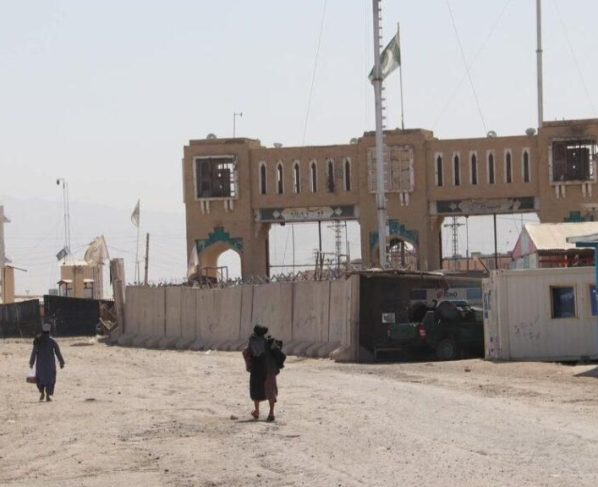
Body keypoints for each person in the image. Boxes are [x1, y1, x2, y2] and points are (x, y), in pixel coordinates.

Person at [243, 324, 280, 422]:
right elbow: (276, 352)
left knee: (256, 389)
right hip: (269, 369)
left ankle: (257, 411)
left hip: (256, 369)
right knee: (270, 390)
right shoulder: (269, 342)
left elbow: (246, 353)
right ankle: (271, 413)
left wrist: (249, 366)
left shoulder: (252, 341)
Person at [29, 322, 65, 402]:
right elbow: (58, 352)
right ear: (49, 331)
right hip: (50, 364)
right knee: (50, 380)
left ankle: (42, 392)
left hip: (40, 364)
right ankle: (48, 395)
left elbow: (34, 352)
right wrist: (61, 362)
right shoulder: (52, 341)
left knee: (40, 379)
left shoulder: (38, 340)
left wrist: (31, 363)